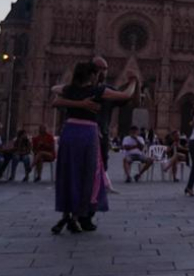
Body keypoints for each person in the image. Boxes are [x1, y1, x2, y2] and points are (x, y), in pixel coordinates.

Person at [51, 61, 133, 233]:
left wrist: (77, 103)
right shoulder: (97, 91)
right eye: (96, 73)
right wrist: (133, 81)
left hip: (69, 132)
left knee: (69, 173)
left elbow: (55, 93)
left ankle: (66, 215)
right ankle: (76, 218)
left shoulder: (70, 89)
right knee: (87, 176)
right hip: (87, 134)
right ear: (91, 75)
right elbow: (126, 95)